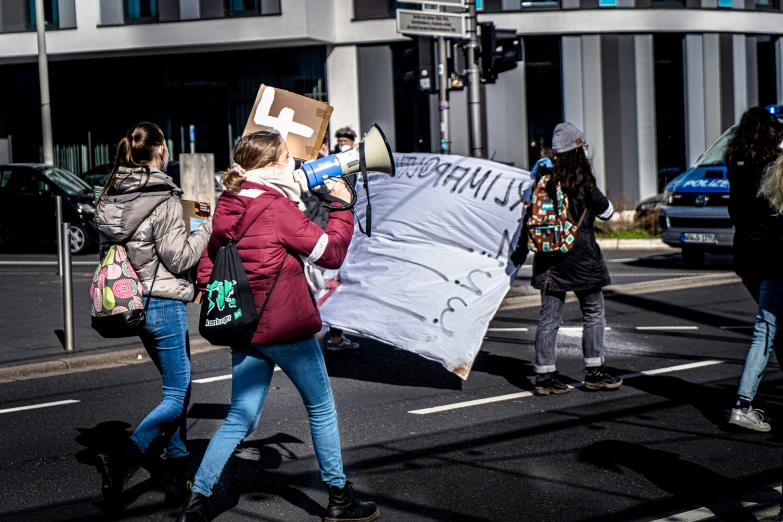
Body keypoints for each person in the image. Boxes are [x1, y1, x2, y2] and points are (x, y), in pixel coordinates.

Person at [180, 131, 378, 522]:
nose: (293, 163)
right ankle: (339, 498)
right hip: (287, 328)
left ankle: (198, 502)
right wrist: (342, 205)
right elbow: (331, 253)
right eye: (287, 157)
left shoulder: (228, 205)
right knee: (320, 408)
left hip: (244, 326)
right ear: (270, 166)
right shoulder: (277, 208)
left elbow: (208, 261)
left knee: (240, 417)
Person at [93, 122, 212, 508]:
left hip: (132, 302)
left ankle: (178, 473)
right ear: (160, 149)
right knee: (178, 394)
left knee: (178, 388)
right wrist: (205, 226)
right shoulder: (162, 196)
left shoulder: (112, 193)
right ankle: (125, 455)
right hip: (163, 301)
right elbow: (179, 257)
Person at [525, 122, 622, 396]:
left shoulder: (543, 177)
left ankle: (544, 376)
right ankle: (594, 372)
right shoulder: (582, 178)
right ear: (578, 149)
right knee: (593, 312)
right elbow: (607, 212)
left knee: (549, 316)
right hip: (580, 256)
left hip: (548, 256)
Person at [726, 106, 783, 432]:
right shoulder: (772, 166)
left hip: (744, 257)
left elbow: (735, 212)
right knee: (766, 330)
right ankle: (742, 405)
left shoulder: (735, 165)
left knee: (775, 326)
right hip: (773, 255)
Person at [326, 126, 361, 351]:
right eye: (340, 139)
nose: (343, 142)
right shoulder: (330, 163)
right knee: (333, 282)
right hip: (332, 227)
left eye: (346, 139)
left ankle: (336, 333)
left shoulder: (355, 163)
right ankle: (335, 335)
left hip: (344, 227)